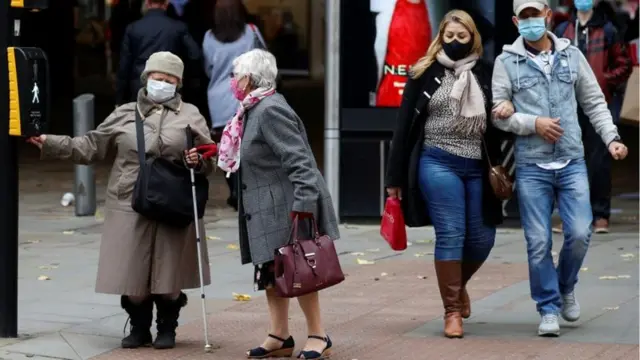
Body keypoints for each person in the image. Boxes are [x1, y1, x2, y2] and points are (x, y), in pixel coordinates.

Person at [28, 52, 215, 350]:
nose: (162, 84)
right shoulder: (125, 113)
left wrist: (198, 160)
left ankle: (167, 327)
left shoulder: (191, 114)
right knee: (133, 279)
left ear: (178, 84)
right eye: (157, 78)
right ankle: (139, 326)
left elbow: (209, 158)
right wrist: (51, 143)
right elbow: (90, 146)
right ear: (146, 79)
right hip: (129, 201)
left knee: (169, 278)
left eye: (169, 80)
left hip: (173, 202)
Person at [492, 0, 628, 337]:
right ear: (515, 21)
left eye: (535, 15)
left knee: (581, 233)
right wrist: (531, 122)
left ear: (547, 16)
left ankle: (566, 285)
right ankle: (548, 307)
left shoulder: (571, 55)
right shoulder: (506, 62)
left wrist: (611, 138)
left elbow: (594, 101)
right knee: (538, 241)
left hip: (571, 161)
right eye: (523, 17)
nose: (530, 22)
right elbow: (498, 113)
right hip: (531, 165)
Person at [385, 10, 508, 338]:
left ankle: (458, 285)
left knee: (482, 237)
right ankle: (452, 311)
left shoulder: (486, 73)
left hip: (477, 167)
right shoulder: (423, 72)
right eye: (449, 36)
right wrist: (393, 180)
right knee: (452, 234)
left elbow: (498, 122)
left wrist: (506, 110)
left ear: (473, 39)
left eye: (461, 37)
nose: (455, 42)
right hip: (437, 162)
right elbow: (403, 129)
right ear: (440, 36)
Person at [218, 49, 339, 359]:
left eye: (236, 76)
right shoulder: (252, 108)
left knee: (300, 271)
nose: (233, 82)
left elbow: (300, 161)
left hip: (287, 207)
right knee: (272, 273)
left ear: (248, 78)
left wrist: (304, 207)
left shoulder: (270, 109)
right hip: (267, 208)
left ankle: (318, 335)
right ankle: (279, 335)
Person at [553, 0, 632, 234]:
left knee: (598, 161)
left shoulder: (607, 29)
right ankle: (572, 214)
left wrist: (604, 80)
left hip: (598, 102)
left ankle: (600, 214)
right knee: (569, 159)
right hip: (568, 104)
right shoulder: (563, 30)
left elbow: (624, 64)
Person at [202, 0, 265, 211]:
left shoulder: (209, 38)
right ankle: (245, 190)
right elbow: (263, 60)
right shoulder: (251, 32)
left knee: (226, 146)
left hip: (218, 97)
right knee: (247, 144)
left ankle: (234, 191)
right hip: (246, 95)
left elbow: (208, 68)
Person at [116, 0, 201, 106]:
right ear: (166, 4)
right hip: (169, 83)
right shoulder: (178, 27)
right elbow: (195, 54)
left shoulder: (133, 28)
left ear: (147, 3)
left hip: (140, 85)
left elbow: (124, 65)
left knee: (141, 120)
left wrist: (119, 98)